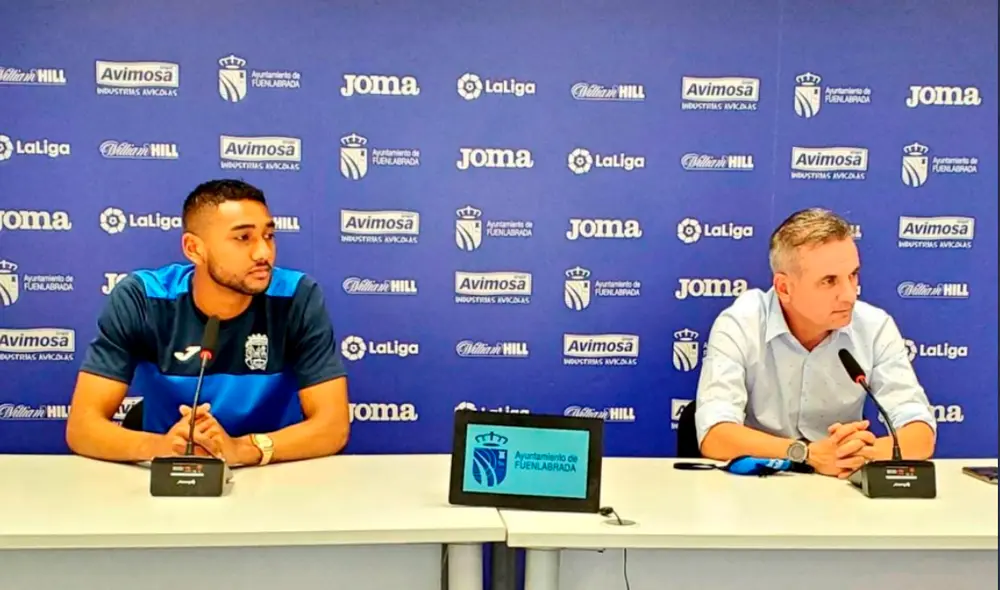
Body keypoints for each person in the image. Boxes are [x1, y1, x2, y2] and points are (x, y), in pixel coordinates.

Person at [66, 179, 350, 467]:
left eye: (269, 235)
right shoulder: (143, 298)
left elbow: (333, 427)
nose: (263, 252)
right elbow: (82, 428)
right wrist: (163, 446)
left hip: (273, 472)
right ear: (194, 249)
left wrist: (241, 449)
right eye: (243, 238)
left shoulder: (296, 296)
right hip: (171, 478)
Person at [695, 208, 936, 478]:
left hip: (840, 488)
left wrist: (858, 453)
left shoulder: (874, 326)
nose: (848, 295)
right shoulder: (740, 323)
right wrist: (807, 454)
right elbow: (714, 434)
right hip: (761, 485)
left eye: (853, 275)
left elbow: (920, 433)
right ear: (784, 288)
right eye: (829, 281)